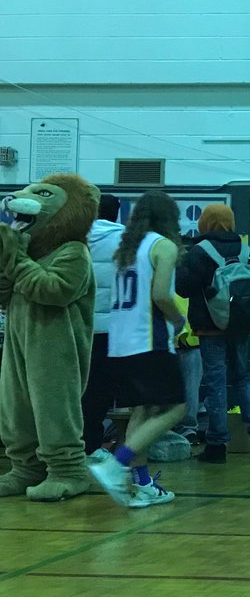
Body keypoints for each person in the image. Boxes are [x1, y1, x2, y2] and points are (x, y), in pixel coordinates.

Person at [87, 191, 187, 508]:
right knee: (176, 408)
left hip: (118, 343)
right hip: (149, 340)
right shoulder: (163, 245)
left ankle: (141, 483)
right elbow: (161, 294)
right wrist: (179, 318)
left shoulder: (126, 248)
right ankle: (116, 464)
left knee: (143, 411)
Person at [175, 203, 250, 463]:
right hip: (241, 325)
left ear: (205, 223)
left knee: (216, 381)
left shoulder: (200, 251)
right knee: (243, 376)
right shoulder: (246, 250)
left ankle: (217, 445)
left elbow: (183, 288)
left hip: (210, 329)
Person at [81, 194, 123, 455]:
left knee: (78, 387)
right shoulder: (125, 239)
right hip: (113, 329)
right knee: (102, 388)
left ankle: (80, 442)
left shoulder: (77, 238)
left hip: (81, 326)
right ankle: (99, 444)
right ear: (117, 213)